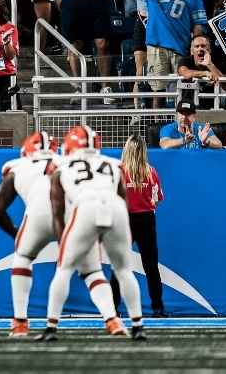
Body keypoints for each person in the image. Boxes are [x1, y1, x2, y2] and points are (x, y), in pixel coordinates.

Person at [42, 125, 146, 341]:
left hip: (86, 206)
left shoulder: (61, 168)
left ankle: (51, 327)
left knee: (64, 269)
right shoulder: (114, 164)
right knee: (124, 270)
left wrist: (66, 245)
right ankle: (137, 325)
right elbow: (123, 199)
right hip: (116, 208)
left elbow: (57, 213)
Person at [0, 132, 59, 337]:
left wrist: (14, 232)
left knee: (22, 258)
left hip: (36, 216)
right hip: (70, 215)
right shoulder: (67, 163)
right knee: (86, 269)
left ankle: (20, 321)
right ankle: (113, 319)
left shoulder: (18, 166)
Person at [128, 0, 208, 108]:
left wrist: (197, 48)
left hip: (183, 46)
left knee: (183, 93)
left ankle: (182, 127)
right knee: (158, 92)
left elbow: (198, 23)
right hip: (156, 44)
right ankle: (157, 127)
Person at [111, 135, 166, 318]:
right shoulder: (151, 172)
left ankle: (112, 309)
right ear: (143, 151)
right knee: (151, 267)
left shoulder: (118, 172)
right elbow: (157, 200)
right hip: (146, 220)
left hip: (124, 221)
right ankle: (158, 308)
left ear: (126, 150)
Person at [158, 100, 223, 150]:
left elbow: (219, 144)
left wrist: (206, 142)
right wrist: (184, 140)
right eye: (181, 113)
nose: (184, 117)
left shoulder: (201, 128)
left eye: (188, 114)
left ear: (194, 116)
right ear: (177, 115)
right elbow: (164, 144)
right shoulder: (168, 128)